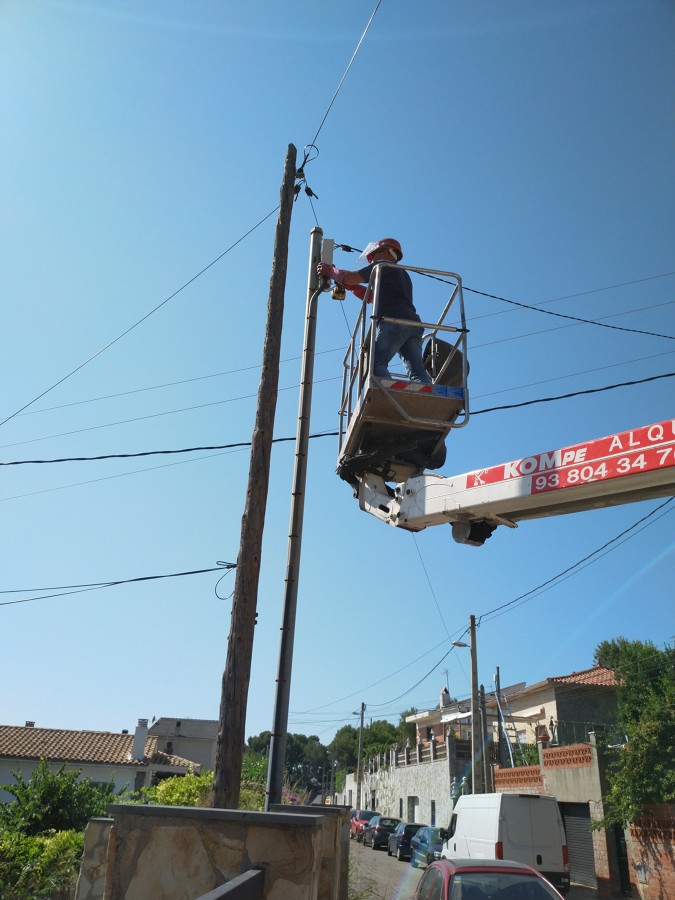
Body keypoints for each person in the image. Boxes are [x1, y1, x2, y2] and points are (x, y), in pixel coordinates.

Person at [317, 237, 431, 384]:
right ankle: (426, 391)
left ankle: (387, 394)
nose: (371, 261)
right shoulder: (402, 274)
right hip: (413, 324)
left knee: (374, 364)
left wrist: (331, 271)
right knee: (417, 372)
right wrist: (350, 286)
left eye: (373, 256)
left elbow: (349, 277)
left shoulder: (381, 266)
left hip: (393, 320)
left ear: (385, 252)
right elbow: (371, 297)